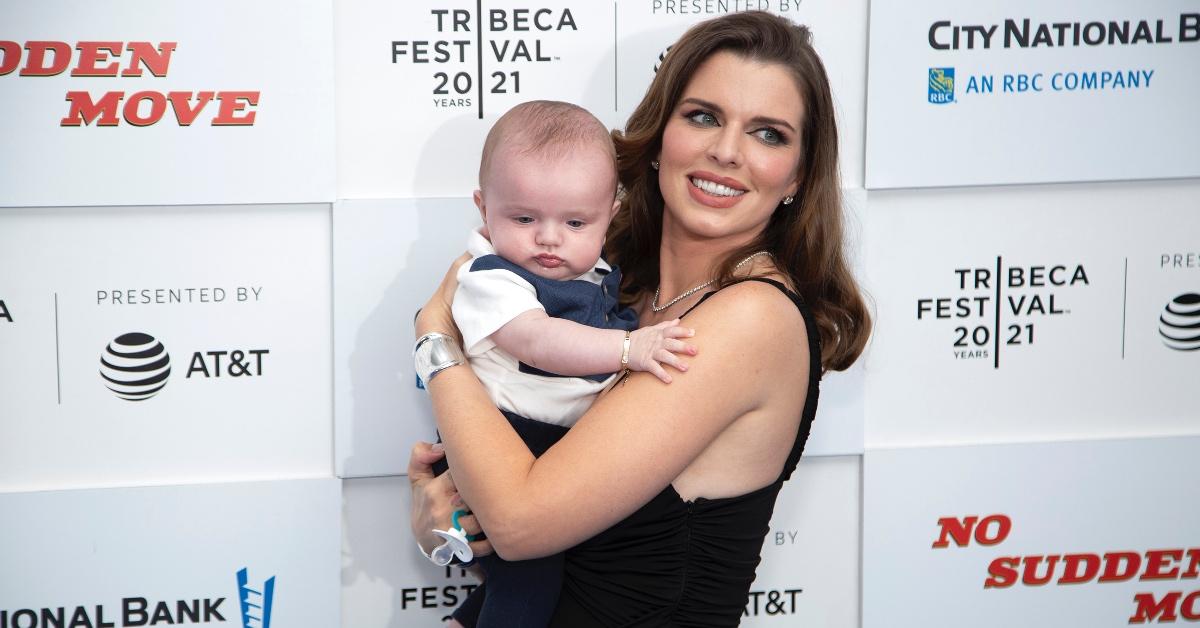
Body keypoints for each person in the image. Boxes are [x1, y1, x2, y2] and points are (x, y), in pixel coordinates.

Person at [410, 11, 871, 627]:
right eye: (703, 116)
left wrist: (436, 341)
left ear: (798, 176)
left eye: (768, 134)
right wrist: (442, 518)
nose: (727, 151)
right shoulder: (614, 283)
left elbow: (520, 521)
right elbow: (509, 512)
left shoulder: (750, 317)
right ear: (659, 137)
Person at [429, 99, 696, 627]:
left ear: (610, 216)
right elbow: (537, 339)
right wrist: (629, 350)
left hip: (553, 446)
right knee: (531, 574)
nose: (549, 238)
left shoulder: (596, 273)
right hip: (507, 442)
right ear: (484, 209)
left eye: (575, 221)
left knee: (550, 567)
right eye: (524, 218)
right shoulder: (490, 277)